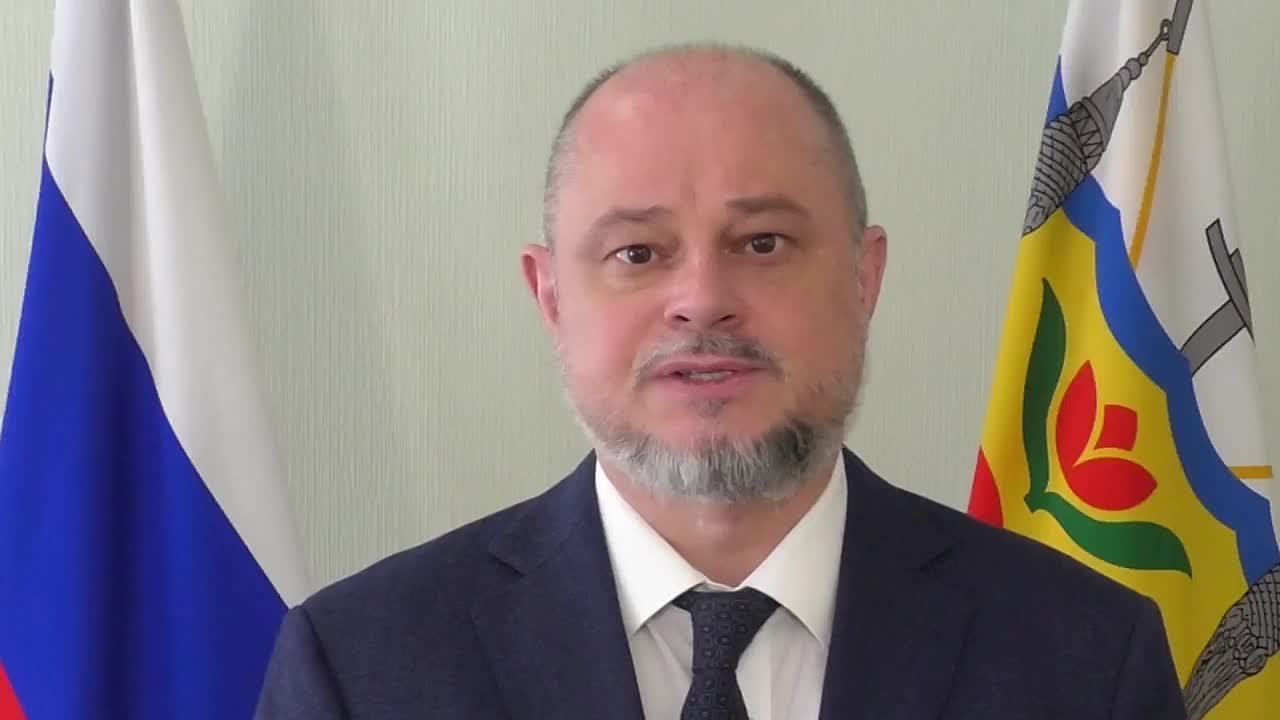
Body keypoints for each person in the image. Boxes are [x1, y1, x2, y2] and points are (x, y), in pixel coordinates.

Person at [254, 43, 1187, 719]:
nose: (701, 300)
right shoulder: (361, 669)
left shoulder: (1085, 657)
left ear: (864, 279)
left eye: (763, 243)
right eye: (637, 252)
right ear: (551, 298)